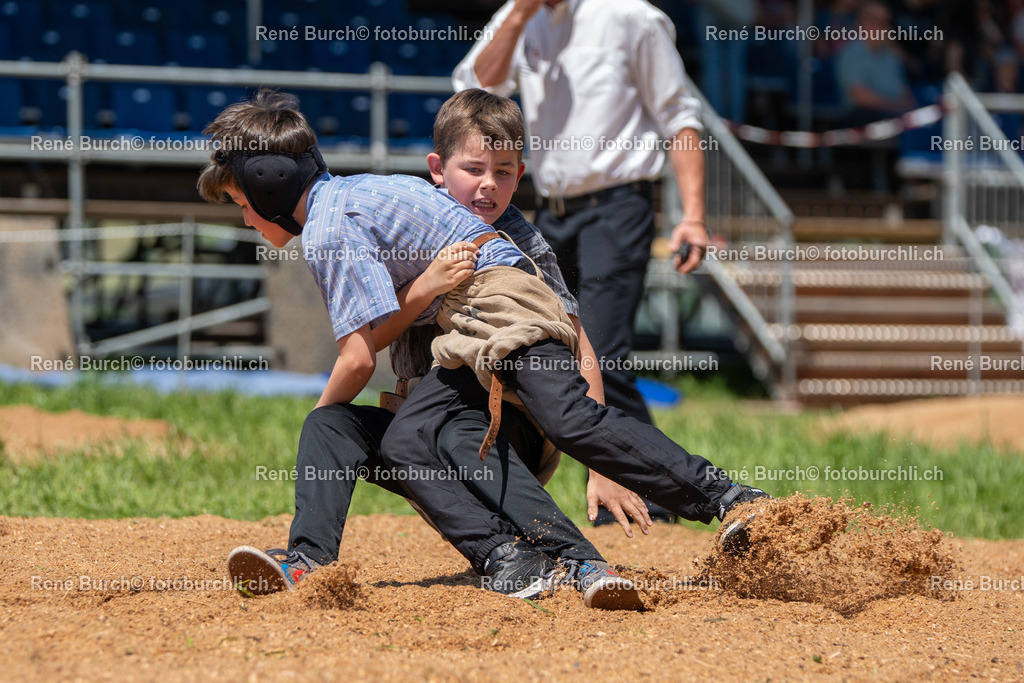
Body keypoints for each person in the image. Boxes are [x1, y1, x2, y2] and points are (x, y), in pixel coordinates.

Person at [207, 90, 646, 609]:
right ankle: (310, 562)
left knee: (455, 430)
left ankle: (579, 559)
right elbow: (370, 342)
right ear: (437, 171)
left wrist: (600, 464)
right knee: (333, 426)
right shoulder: (395, 216)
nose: (488, 186)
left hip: (505, 427)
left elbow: (578, 343)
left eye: (504, 172)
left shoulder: (515, 241)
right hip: (423, 430)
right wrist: (423, 289)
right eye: (473, 169)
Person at [451, 0, 709, 525]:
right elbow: (472, 92)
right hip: (550, 213)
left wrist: (694, 216)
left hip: (618, 205)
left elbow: (680, 115)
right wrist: (519, 17)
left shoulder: (631, 16)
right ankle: (653, 490)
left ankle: (652, 495)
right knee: (559, 352)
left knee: (604, 354)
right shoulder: (520, 15)